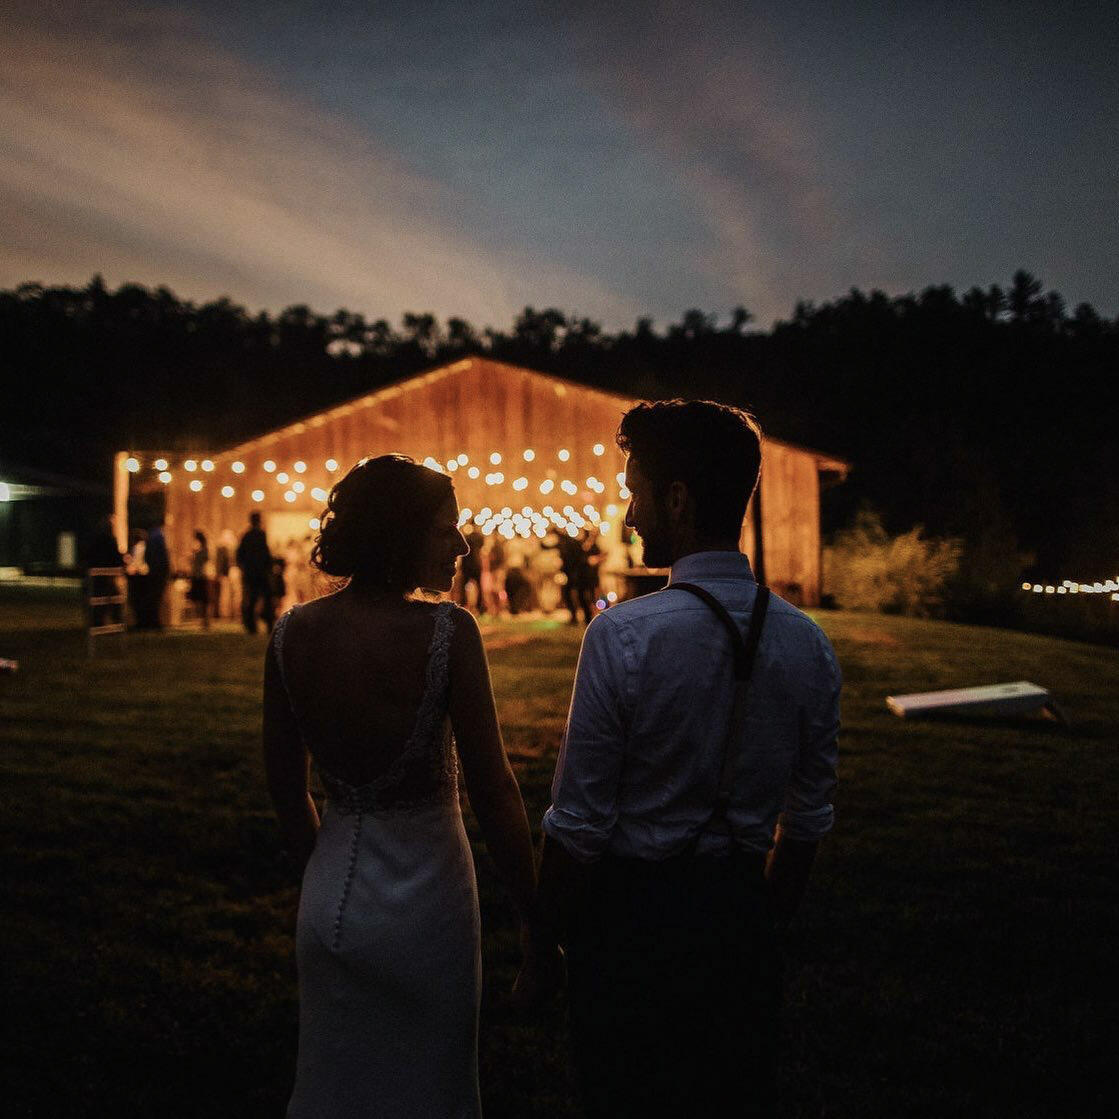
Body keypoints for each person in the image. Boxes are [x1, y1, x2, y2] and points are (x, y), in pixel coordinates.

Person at [532, 400, 841, 1117]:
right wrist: (764, 921)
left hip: (630, 923)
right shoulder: (807, 642)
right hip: (740, 919)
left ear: (677, 498)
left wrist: (542, 942)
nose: (630, 513)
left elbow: (576, 825)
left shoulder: (622, 636)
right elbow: (807, 818)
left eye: (636, 491)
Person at [262, 454, 558, 1117]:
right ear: (401, 532)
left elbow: (286, 789)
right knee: (431, 1088)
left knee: (335, 1087)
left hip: (329, 898)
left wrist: (323, 872)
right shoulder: (448, 632)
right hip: (431, 906)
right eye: (445, 528)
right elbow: (495, 792)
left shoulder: (291, 634)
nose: (459, 544)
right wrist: (536, 923)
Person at [236, 511, 274, 634]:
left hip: (250, 572)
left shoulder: (246, 536)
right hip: (261, 572)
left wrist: (244, 568)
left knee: (251, 599)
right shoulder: (261, 534)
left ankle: (251, 626)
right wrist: (269, 567)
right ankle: (268, 623)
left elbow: (239, 555)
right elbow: (265, 554)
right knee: (267, 598)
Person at [138, 519, 170, 630]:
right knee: (155, 597)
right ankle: (154, 622)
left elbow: (149, 555)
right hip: (159, 571)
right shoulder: (158, 535)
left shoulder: (152, 536)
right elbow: (162, 555)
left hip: (155, 570)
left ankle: (151, 621)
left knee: (153, 597)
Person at [187, 530, 211, 628]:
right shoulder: (202, 549)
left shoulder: (203, 550)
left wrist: (193, 556)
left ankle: (204, 621)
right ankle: (203, 621)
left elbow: (201, 562)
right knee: (201, 599)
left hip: (199, 576)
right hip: (198, 575)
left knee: (202, 599)